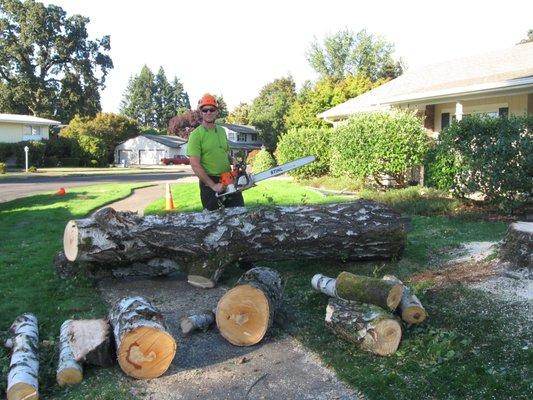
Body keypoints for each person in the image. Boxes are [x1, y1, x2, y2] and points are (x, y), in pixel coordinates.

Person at [187, 93, 245, 211]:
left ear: (216, 112)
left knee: (239, 213)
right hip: (209, 182)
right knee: (214, 220)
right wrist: (213, 185)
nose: (208, 112)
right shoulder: (196, 135)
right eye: (205, 110)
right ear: (201, 112)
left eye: (211, 109)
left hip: (227, 178)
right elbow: (195, 165)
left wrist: (233, 160)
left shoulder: (222, 131)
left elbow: (225, 153)